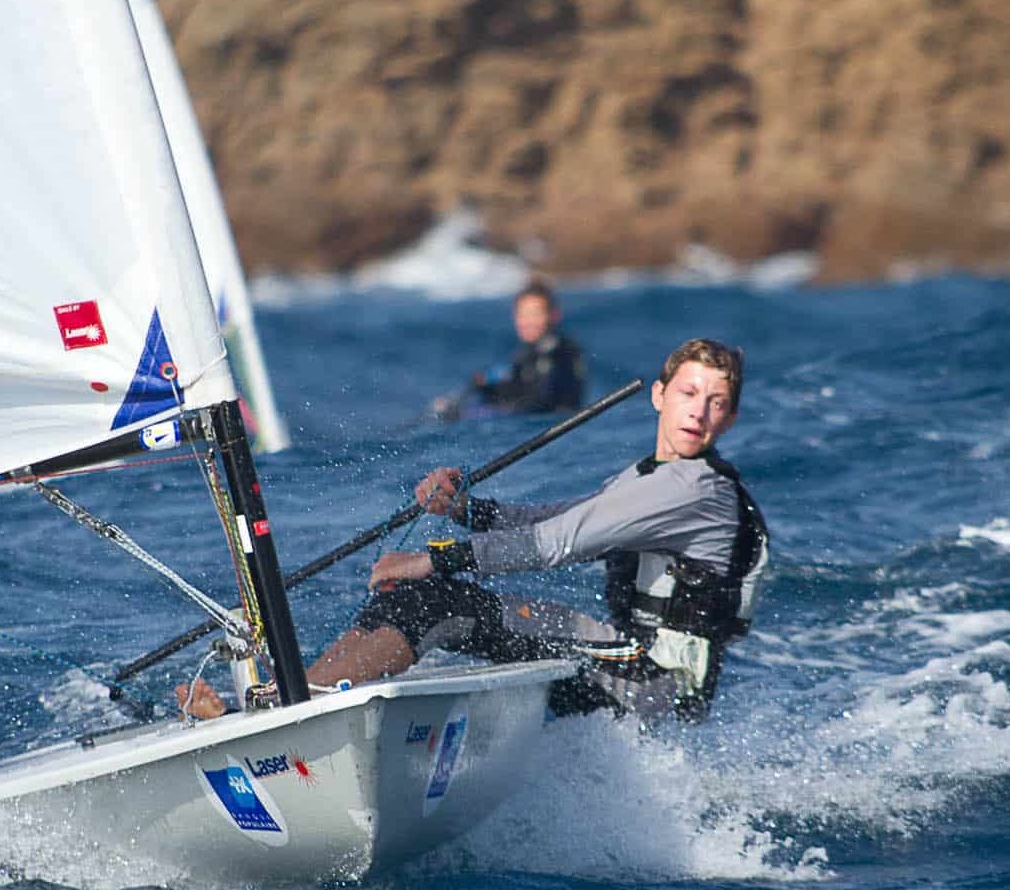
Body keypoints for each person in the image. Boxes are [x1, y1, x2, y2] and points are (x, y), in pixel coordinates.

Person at [303, 337, 769, 724]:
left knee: (431, 598)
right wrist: (465, 510)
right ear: (659, 395)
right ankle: (300, 699)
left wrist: (431, 560)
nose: (699, 412)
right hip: (627, 657)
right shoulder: (648, 476)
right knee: (410, 597)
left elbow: (555, 543)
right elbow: (556, 520)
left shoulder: (695, 488)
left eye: (717, 403)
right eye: (689, 394)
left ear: (729, 419)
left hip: (653, 682)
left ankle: (304, 716)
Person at [432, 275, 586, 421]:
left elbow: (539, 403)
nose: (528, 321)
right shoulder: (527, 354)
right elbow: (517, 388)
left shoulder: (559, 353)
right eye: (522, 314)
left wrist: (467, 415)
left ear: (554, 316)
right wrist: (485, 387)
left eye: (535, 314)